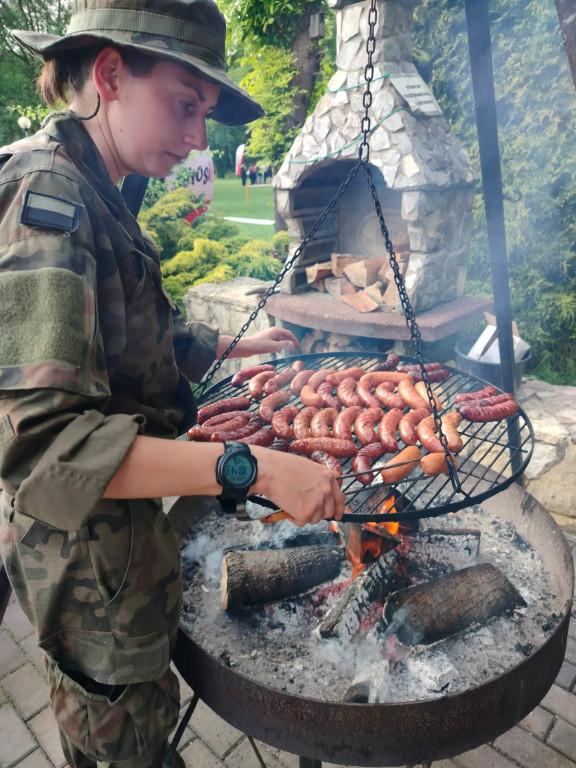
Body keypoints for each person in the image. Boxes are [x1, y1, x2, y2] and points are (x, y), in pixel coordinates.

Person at [0, 2, 346, 767]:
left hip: (122, 545)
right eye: (185, 105)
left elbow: (124, 327)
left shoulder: (98, 179)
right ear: (111, 74)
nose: (198, 138)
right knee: (120, 745)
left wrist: (232, 341)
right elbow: (47, 449)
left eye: (206, 113)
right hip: (89, 568)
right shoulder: (47, 202)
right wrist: (248, 466)